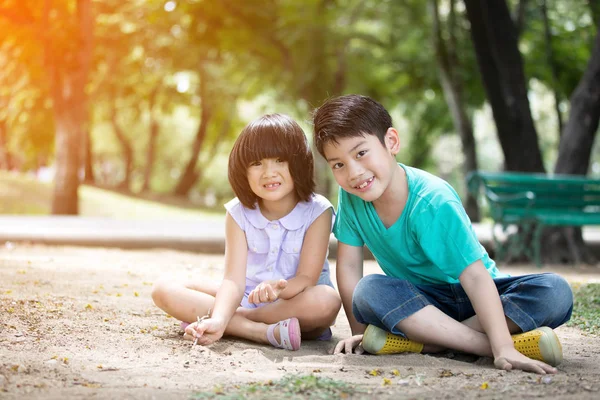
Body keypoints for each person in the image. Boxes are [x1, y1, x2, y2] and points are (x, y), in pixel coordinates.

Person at [312, 94, 573, 374]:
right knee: (369, 290)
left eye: (361, 153)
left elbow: (474, 276)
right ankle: (480, 345)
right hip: (421, 306)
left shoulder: (433, 200)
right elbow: (350, 266)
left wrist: (504, 348)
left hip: (481, 300)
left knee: (554, 291)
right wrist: (360, 332)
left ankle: (431, 342)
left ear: (391, 142)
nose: (353, 173)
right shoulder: (351, 198)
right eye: (338, 164)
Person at [152, 114, 341, 351]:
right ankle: (257, 331)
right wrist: (221, 316)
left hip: (292, 303)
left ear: (299, 162)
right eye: (256, 163)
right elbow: (233, 280)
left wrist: (277, 289)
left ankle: (235, 320)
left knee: (327, 301)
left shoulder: (318, 210)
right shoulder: (237, 213)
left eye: (280, 160)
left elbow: (306, 279)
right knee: (164, 287)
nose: (269, 172)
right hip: (244, 297)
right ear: (243, 170)